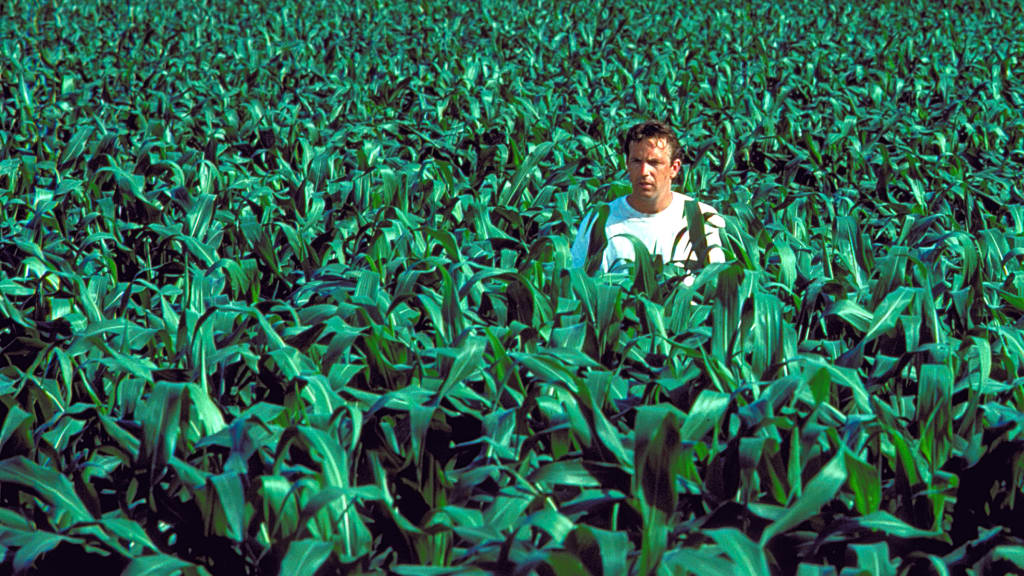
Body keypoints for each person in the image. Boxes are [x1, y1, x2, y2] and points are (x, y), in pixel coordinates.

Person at [570, 120, 725, 274]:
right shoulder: (599, 221)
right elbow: (578, 284)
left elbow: (714, 284)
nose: (644, 171)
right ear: (627, 164)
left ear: (674, 168)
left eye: (654, 163)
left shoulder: (700, 218)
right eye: (637, 161)